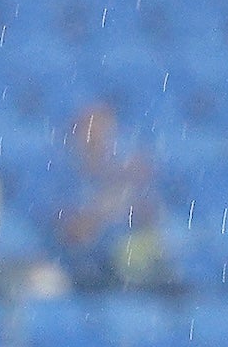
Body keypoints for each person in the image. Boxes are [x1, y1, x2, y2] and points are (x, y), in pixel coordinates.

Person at [48, 99, 165, 295]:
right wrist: (105, 208)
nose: (97, 139)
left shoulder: (125, 175)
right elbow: (73, 233)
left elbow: (148, 217)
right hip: (76, 270)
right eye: (90, 132)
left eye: (103, 132)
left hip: (124, 270)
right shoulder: (63, 178)